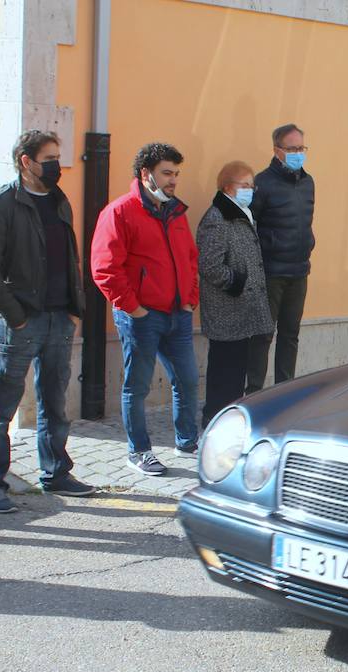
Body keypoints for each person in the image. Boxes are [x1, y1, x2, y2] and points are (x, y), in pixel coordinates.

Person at [0, 130, 95, 513]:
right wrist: (14, 315)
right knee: (2, 403)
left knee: (55, 401)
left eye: (59, 156)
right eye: (49, 157)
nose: (57, 165)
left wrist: (75, 306)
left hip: (59, 318)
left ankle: (56, 471)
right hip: (20, 322)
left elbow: (69, 256)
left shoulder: (59, 201)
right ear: (26, 161)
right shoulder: (2, 204)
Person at [90, 142, 200, 477]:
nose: (173, 180)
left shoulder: (176, 213)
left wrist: (190, 298)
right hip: (142, 317)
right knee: (137, 386)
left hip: (177, 315)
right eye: (167, 173)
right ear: (145, 174)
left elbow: (190, 260)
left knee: (188, 381)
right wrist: (133, 308)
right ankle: (139, 451)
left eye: (176, 174)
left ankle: (188, 442)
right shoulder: (120, 212)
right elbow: (105, 268)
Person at [197, 161, 274, 425]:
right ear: (228, 187)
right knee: (224, 373)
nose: (250, 190)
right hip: (226, 311)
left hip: (242, 311)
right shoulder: (217, 218)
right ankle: (214, 420)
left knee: (237, 371)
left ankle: (229, 420)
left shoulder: (241, 213)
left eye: (252, 185)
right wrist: (236, 282)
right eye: (244, 185)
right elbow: (209, 265)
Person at [248, 123, 315, 385]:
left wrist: (309, 242)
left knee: (290, 335)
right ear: (277, 150)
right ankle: (254, 392)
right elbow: (250, 225)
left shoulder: (308, 182)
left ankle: (284, 390)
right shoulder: (262, 184)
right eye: (292, 148)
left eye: (302, 148)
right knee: (263, 336)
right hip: (271, 273)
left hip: (299, 271)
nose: (299, 153)